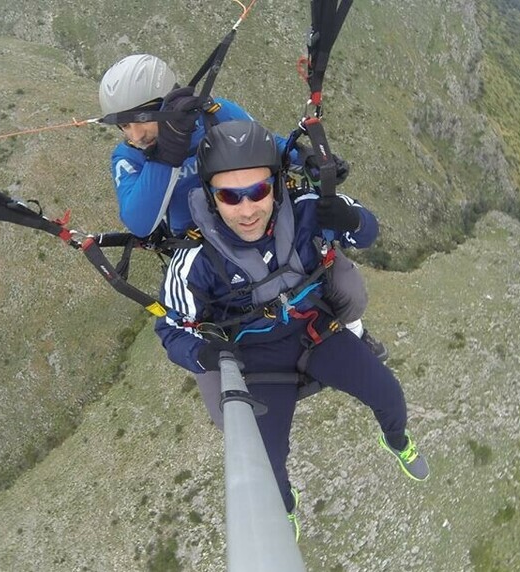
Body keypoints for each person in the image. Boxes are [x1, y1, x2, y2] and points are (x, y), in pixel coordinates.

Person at [154, 120, 429, 540]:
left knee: (388, 392)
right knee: (268, 460)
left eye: (259, 191)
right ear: (211, 198)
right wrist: (204, 356)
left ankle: (396, 440)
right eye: (230, 196)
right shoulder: (196, 261)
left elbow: (366, 230)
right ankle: (285, 506)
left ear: (277, 185)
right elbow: (170, 326)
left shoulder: (306, 209)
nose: (247, 209)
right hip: (257, 360)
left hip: (314, 335)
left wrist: (351, 217)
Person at [98, 54, 388, 424]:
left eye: (141, 119)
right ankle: (267, 464)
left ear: (167, 104)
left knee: (344, 285)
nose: (135, 135)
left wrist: (304, 157)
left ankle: (352, 334)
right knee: (221, 393)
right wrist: (168, 153)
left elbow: (269, 145)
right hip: (206, 260)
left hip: (260, 226)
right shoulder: (129, 158)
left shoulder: (217, 115)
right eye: (124, 125)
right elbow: (140, 220)